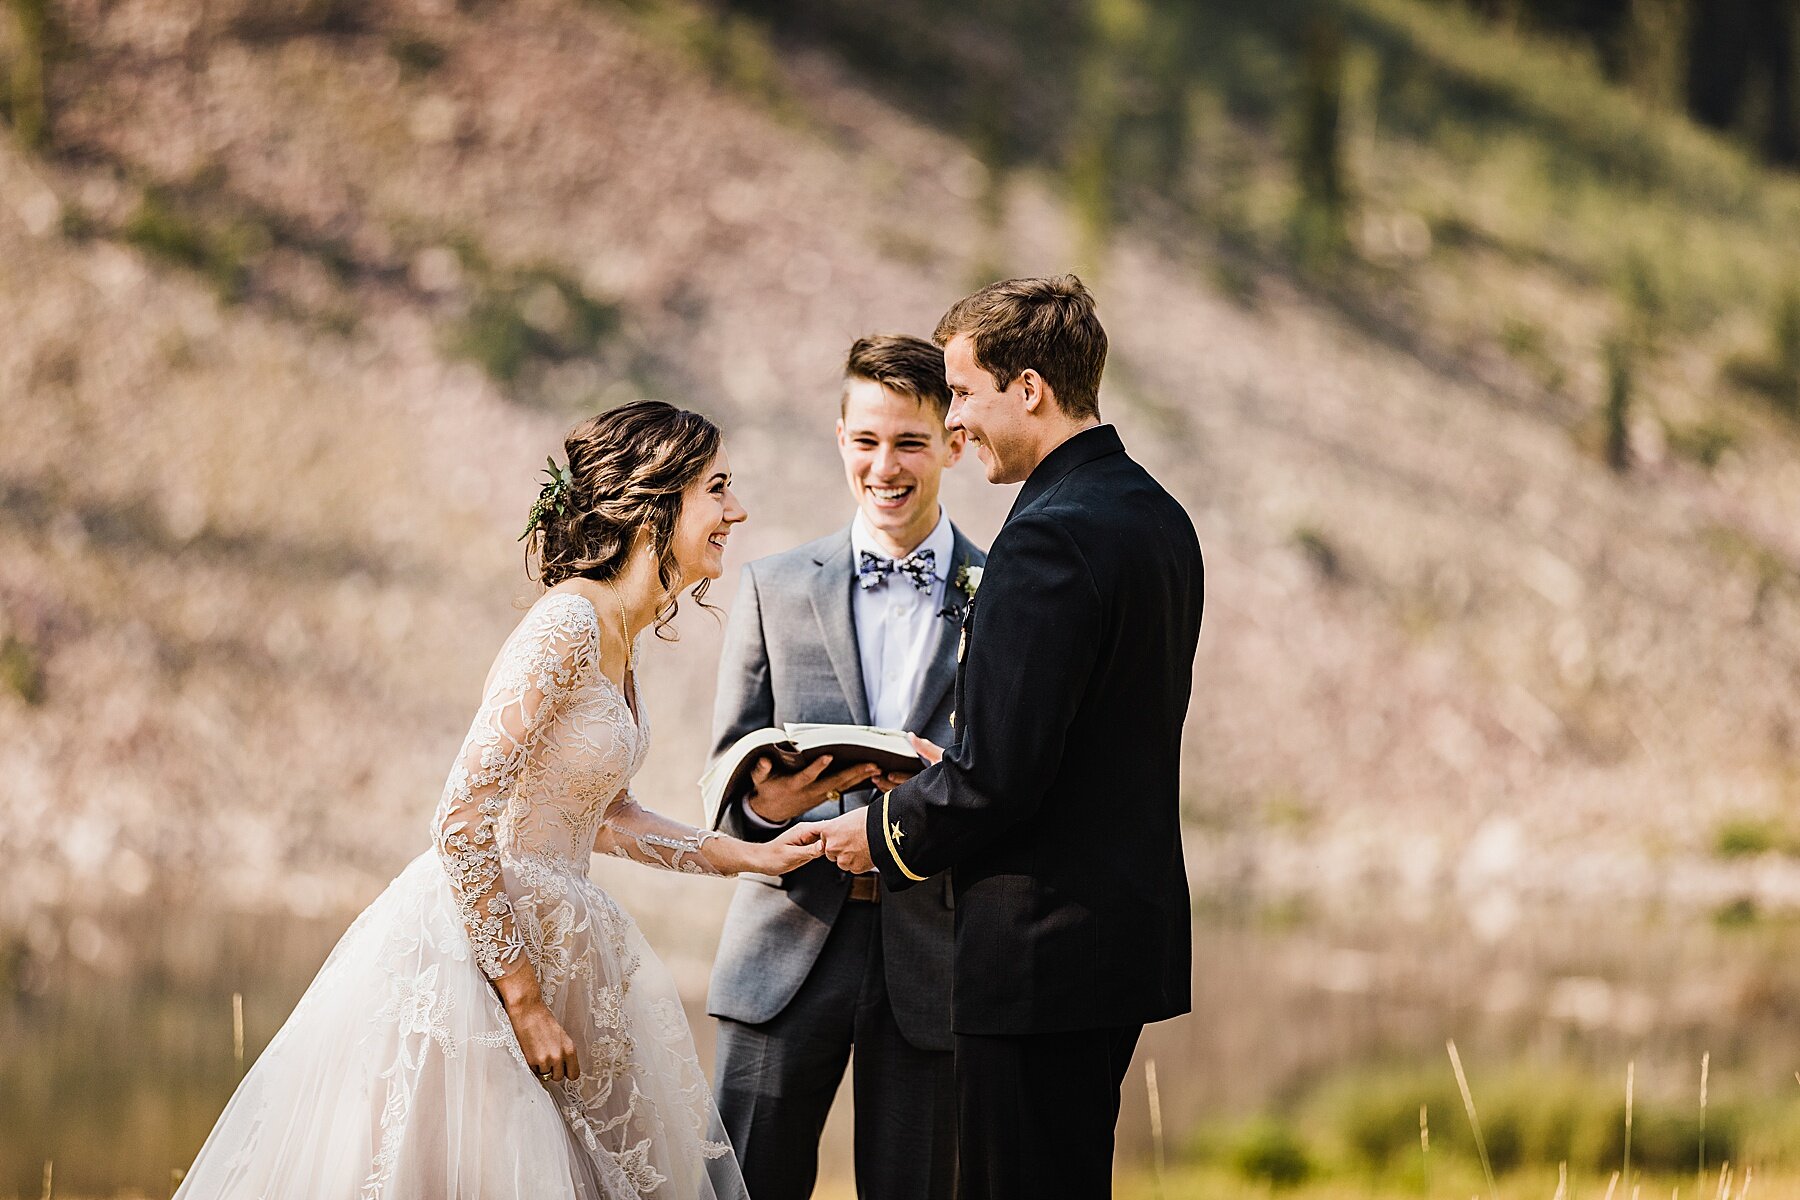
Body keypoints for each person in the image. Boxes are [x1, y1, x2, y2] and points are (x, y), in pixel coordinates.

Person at [174, 400, 822, 1200]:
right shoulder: (566, 628)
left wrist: (745, 856)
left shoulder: (619, 638)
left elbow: (609, 815)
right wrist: (521, 999)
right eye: (716, 489)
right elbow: (461, 820)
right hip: (478, 963)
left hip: (569, 946)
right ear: (658, 498)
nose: (736, 510)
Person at [807, 277, 1205, 1199]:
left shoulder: (1047, 539)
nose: (954, 424)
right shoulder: (1156, 515)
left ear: (1028, 389)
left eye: (964, 394)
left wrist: (876, 831)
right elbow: (1091, 736)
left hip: (1039, 951)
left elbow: (999, 780)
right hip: (1115, 942)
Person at [705, 335, 982, 1200]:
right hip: (784, 946)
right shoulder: (770, 587)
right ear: (839, 439)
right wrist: (769, 803)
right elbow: (726, 784)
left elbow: (1019, 778)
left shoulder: (1007, 590)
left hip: (934, 953)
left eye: (909, 441)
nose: (885, 466)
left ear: (953, 444)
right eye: (867, 441)